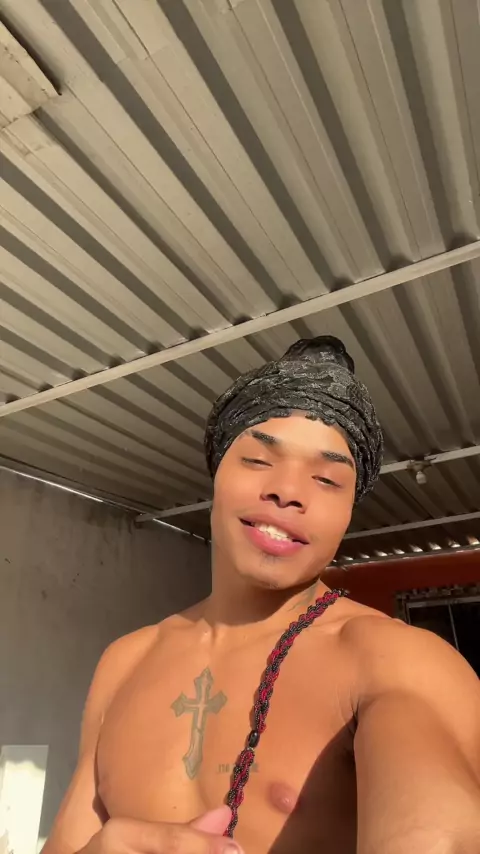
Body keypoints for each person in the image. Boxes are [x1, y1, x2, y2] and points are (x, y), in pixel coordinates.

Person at [44, 337, 480, 854]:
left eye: (327, 479)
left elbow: (439, 833)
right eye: (257, 458)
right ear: (217, 474)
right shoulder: (124, 661)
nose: (288, 491)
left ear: (348, 512)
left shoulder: (394, 661)